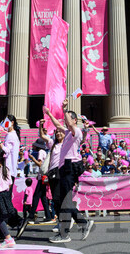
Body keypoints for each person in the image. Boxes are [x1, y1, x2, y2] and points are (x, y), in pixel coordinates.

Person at [43, 101, 93, 243]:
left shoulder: (76, 131)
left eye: (68, 118)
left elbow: (69, 124)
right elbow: (58, 125)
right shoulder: (67, 132)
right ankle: (80, 224)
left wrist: (63, 109)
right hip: (65, 167)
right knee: (64, 200)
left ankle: (67, 233)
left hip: (69, 166)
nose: (65, 121)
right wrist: (48, 113)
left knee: (64, 201)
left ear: (75, 120)